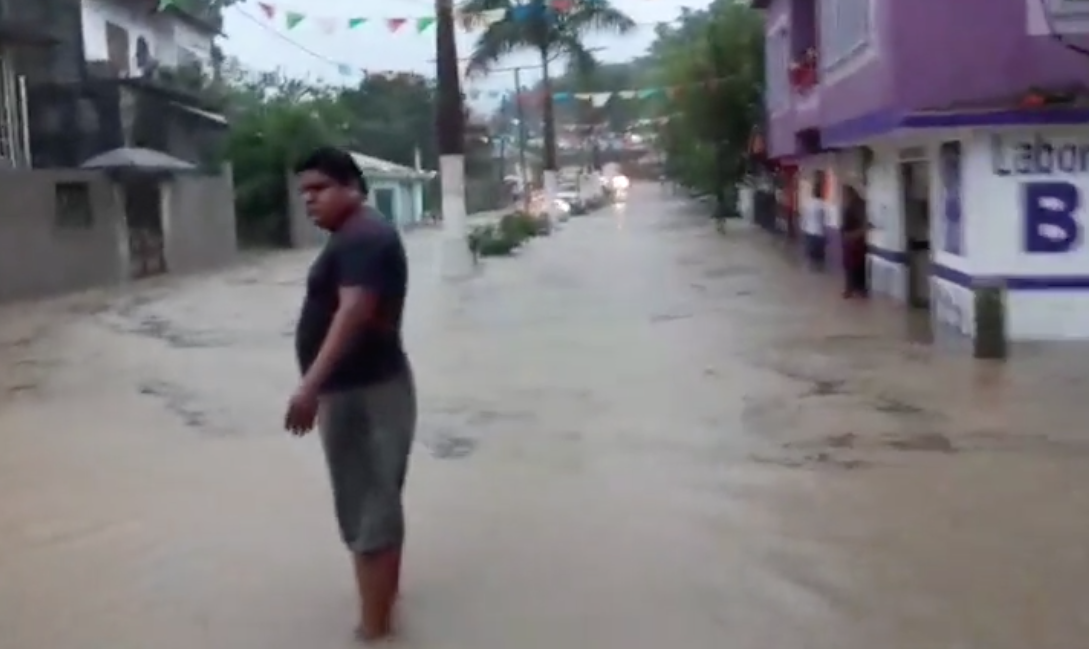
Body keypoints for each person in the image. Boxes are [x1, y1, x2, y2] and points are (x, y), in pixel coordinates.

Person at [285, 146, 415, 642]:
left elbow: (354, 312)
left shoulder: (363, 237)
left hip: (362, 395)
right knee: (378, 504)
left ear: (352, 188)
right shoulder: (360, 235)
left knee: (367, 513)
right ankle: (387, 609)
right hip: (369, 389)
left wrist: (308, 387)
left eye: (318, 190)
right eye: (303, 193)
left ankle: (374, 630)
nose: (309, 202)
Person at [841, 184, 869, 298]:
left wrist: (857, 233)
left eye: (844, 194)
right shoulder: (861, 205)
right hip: (859, 242)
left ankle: (850, 289)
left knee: (851, 266)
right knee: (858, 266)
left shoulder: (850, 208)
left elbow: (846, 231)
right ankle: (860, 289)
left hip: (853, 242)